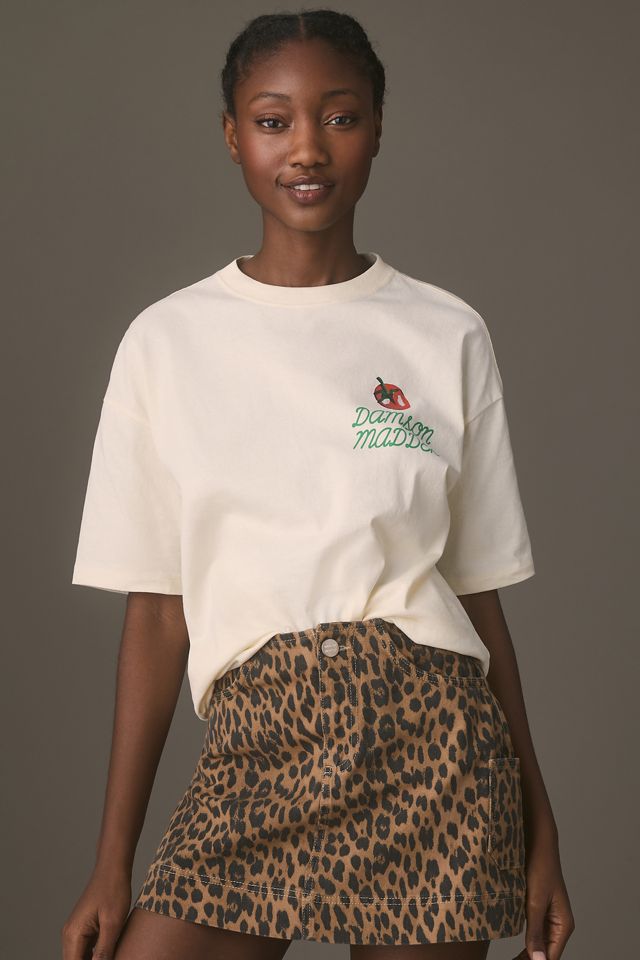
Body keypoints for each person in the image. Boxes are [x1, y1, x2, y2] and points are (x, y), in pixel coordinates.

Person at [62, 8, 574, 960]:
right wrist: (111, 862)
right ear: (232, 135)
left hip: (435, 751)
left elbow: (477, 599)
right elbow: (159, 614)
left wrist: (541, 826)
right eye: (273, 120)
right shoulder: (166, 343)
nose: (306, 148)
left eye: (339, 117)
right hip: (258, 741)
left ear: (377, 129)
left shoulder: (446, 333)